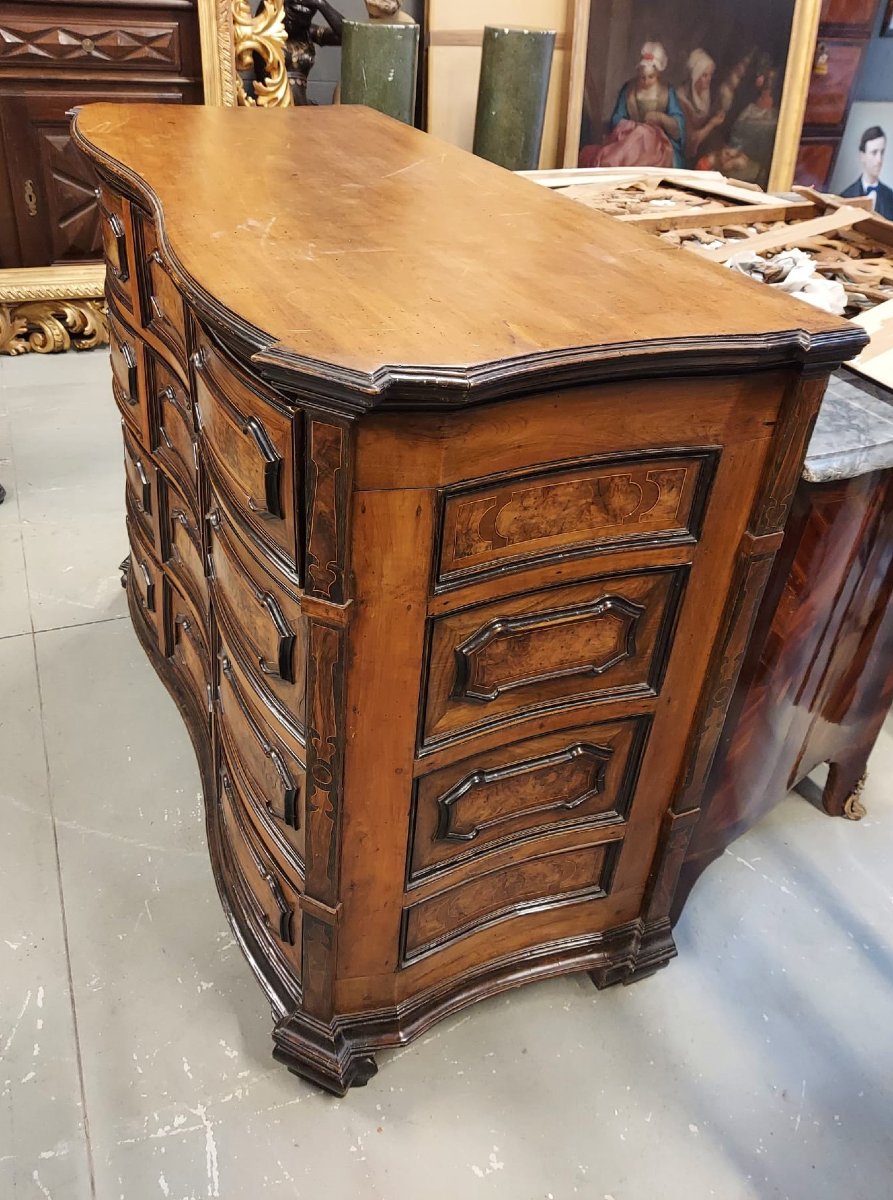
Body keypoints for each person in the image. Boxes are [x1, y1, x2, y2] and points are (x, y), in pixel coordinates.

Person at [579, 42, 685, 169]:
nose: (646, 81)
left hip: (658, 144)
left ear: (658, 75)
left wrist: (661, 118)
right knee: (622, 151)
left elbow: (678, 123)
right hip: (631, 139)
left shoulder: (667, 91)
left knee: (644, 137)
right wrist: (632, 127)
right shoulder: (629, 90)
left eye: (650, 77)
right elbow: (617, 118)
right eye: (642, 77)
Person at [676, 48, 727, 166]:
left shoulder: (709, 93)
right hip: (689, 154)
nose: (708, 79)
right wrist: (712, 123)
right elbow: (690, 141)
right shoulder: (681, 100)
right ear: (695, 76)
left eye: (710, 75)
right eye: (704, 75)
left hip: (707, 145)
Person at [841, 126, 893, 219]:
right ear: (862, 156)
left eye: (882, 152)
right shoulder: (845, 197)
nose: (879, 160)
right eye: (874, 153)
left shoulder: (891, 197)